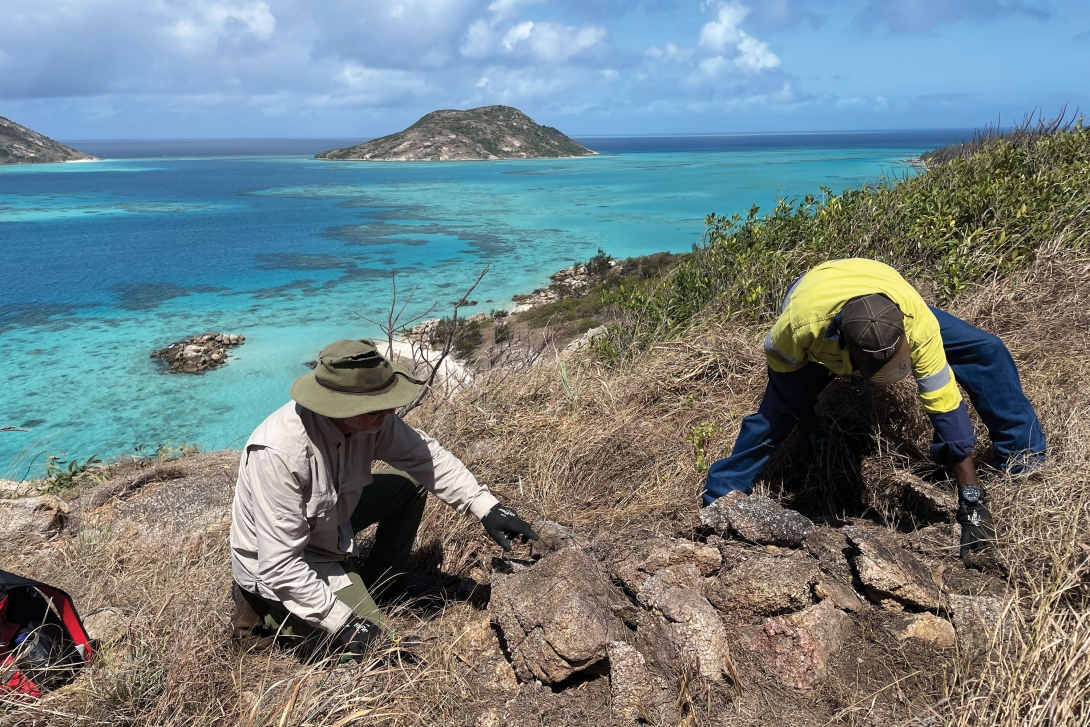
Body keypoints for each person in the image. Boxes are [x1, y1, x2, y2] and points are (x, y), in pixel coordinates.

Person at [702, 259, 1045, 560]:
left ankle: (1023, 457)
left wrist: (972, 502)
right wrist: (803, 415)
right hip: (813, 299)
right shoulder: (798, 328)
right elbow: (782, 383)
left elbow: (946, 412)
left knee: (986, 350)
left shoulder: (917, 325)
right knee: (776, 415)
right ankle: (721, 496)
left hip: (883, 296)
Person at [230, 338, 538, 659]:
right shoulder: (279, 453)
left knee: (408, 486)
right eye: (380, 404)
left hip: (331, 523)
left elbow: (423, 456)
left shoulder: (371, 420)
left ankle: (382, 583)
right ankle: (261, 610)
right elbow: (280, 565)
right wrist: (346, 622)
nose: (390, 410)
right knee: (380, 650)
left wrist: (485, 506)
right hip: (289, 561)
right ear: (341, 406)